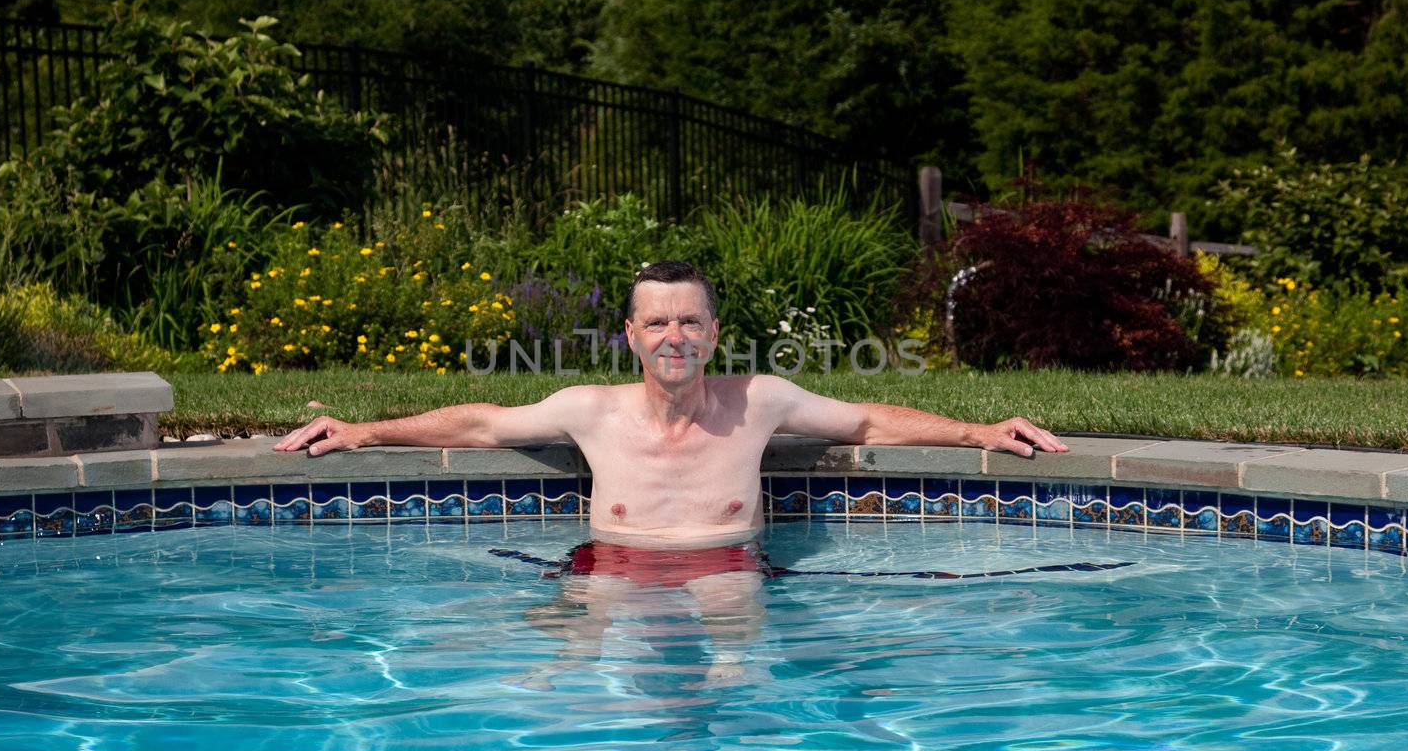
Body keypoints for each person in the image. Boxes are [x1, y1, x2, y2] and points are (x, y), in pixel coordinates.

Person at [275, 260, 1067, 686]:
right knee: (563, 666)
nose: (674, 334)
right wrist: (361, 430)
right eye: (657, 320)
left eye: (690, 319)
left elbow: (862, 419)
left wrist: (978, 432)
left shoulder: (758, 400)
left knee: (733, 649)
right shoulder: (591, 408)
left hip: (727, 559)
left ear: (714, 332)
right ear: (631, 335)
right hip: (611, 560)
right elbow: (482, 422)